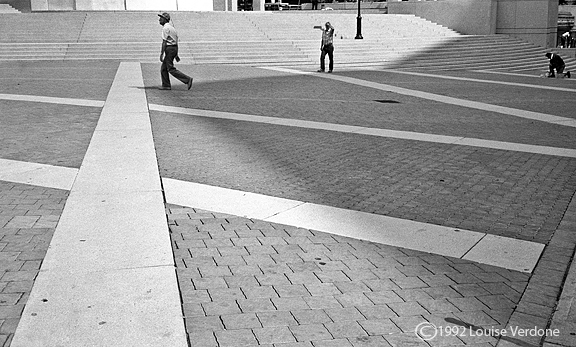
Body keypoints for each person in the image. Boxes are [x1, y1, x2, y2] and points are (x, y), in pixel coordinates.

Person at [158, 12, 193, 90]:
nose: (159, 20)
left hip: (169, 49)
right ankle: (166, 85)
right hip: (173, 48)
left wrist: (161, 54)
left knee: (170, 68)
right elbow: (175, 40)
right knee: (164, 68)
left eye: (161, 18)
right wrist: (176, 54)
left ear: (165, 19)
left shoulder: (165, 28)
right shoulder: (172, 28)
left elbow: (164, 42)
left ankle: (187, 79)